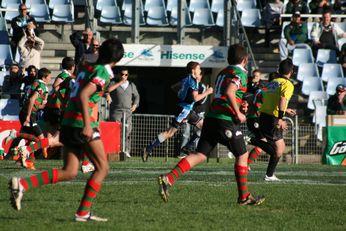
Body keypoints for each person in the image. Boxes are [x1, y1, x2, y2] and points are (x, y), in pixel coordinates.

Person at [9, 38, 124, 222]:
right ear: (117, 59)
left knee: (70, 171)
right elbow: (84, 95)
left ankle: (22, 184)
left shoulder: (86, 67)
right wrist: (88, 124)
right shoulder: (101, 71)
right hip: (81, 124)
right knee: (102, 167)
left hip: (69, 122)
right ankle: (82, 213)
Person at [157, 44, 265, 206]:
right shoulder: (240, 73)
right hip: (224, 120)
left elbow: (225, 94)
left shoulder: (223, 72)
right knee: (242, 155)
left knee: (200, 154)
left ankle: (168, 178)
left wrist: (240, 104)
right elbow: (229, 92)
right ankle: (244, 196)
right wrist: (238, 113)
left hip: (212, 117)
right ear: (245, 60)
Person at [142, 61, 213, 162]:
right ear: (193, 71)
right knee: (169, 133)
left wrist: (181, 95)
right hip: (184, 111)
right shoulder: (193, 81)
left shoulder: (186, 79)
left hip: (187, 110)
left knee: (204, 127)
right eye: (199, 69)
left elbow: (176, 88)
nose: (200, 71)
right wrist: (207, 92)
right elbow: (196, 98)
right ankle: (148, 149)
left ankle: (187, 148)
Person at [250, 59, 296, 181]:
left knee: (278, 148)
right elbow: (282, 100)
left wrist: (286, 110)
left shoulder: (273, 82)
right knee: (278, 150)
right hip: (273, 117)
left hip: (264, 115)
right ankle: (252, 141)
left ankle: (269, 175)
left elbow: (272, 100)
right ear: (291, 72)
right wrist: (280, 118)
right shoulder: (288, 84)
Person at [17, 68, 51, 170]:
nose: (50, 79)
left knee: (31, 138)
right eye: (49, 77)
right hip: (29, 114)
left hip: (28, 112)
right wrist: (28, 116)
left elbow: (34, 102)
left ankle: (23, 159)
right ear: (44, 77)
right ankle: (28, 158)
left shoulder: (35, 83)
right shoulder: (41, 86)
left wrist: (44, 104)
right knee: (42, 141)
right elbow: (32, 99)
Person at [108, 67, 140, 158]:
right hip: (116, 111)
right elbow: (106, 91)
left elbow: (137, 96)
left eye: (126, 74)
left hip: (128, 112)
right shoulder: (113, 83)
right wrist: (108, 96)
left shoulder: (131, 85)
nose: (124, 76)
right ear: (119, 75)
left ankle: (126, 150)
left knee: (127, 131)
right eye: (122, 74)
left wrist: (134, 105)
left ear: (128, 75)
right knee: (115, 132)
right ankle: (115, 151)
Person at [178, 82, 208, 159]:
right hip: (188, 111)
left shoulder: (202, 86)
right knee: (185, 133)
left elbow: (202, 100)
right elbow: (179, 93)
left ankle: (196, 152)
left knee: (202, 130)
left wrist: (196, 97)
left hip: (198, 112)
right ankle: (183, 153)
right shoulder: (188, 83)